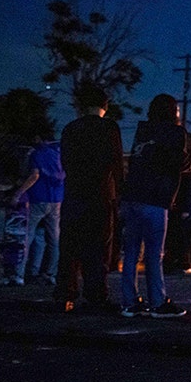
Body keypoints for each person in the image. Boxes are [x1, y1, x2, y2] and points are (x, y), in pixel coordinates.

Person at [117, 94, 191, 318]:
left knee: (131, 252)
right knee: (154, 253)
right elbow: (176, 162)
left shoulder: (143, 131)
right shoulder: (175, 132)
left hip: (132, 196)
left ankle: (129, 302)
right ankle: (158, 302)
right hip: (155, 198)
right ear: (173, 112)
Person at [54, 85, 125, 313]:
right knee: (98, 248)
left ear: (82, 106)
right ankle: (95, 296)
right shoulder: (109, 128)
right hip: (100, 196)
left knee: (70, 248)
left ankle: (65, 294)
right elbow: (116, 163)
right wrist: (121, 193)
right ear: (105, 105)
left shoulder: (71, 128)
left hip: (74, 194)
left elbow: (65, 162)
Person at [12, 131, 64, 285]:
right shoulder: (60, 152)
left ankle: (19, 274)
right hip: (57, 199)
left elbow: (34, 175)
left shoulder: (37, 153)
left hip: (38, 198)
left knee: (27, 237)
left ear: (38, 138)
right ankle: (50, 273)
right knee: (54, 238)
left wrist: (18, 193)